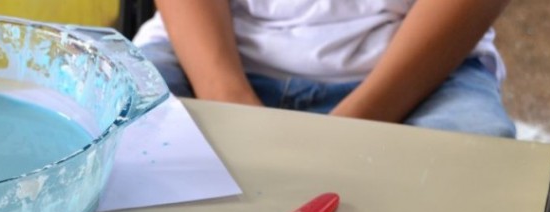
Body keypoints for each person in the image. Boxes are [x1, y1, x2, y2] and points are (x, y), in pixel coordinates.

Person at [133, 0, 516, 138]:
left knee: (472, 171)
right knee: (115, 137)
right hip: (204, 51)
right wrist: (229, 102)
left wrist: (344, 131)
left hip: (415, 67)